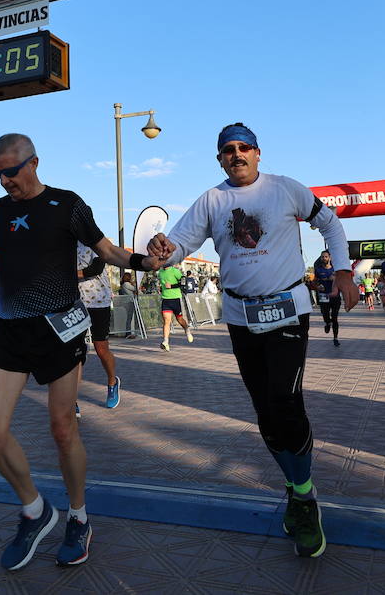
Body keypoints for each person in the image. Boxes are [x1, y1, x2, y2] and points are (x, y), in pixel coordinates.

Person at [147, 123, 355, 559]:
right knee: (264, 409)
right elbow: (181, 243)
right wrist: (163, 248)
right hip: (240, 315)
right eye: (228, 150)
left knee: (285, 400)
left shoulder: (285, 189)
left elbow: (331, 226)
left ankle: (303, 495)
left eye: (244, 148)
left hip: (288, 309)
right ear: (220, 158)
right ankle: (295, 484)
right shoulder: (212, 200)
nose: (236, 154)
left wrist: (343, 271)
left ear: (258, 153)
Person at [0, 133, 163, 571]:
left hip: (60, 328)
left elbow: (106, 250)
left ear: (34, 163)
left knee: (62, 430)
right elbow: (3, 256)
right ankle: (35, 511)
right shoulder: (1, 209)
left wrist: (146, 263)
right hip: (11, 330)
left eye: (10, 172)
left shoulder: (68, 204)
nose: (4, 181)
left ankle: (78, 517)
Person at [77, 242, 120, 411]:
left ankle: (112, 382)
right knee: (73, 352)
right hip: (76, 303)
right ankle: (70, 400)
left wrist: (69, 274)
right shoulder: (63, 242)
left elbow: (95, 268)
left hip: (98, 301)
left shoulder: (94, 241)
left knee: (101, 348)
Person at [156, 263, 194, 350]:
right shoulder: (160, 272)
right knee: (166, 321)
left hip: (175, 299)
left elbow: (184, 282)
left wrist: (172, 286)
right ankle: (165, 342)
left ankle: (187, 330)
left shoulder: (175, 271)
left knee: (179, 319)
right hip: (165, 299)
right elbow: (163, 285)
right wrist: (161, 289)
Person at [312, 252, 342, 348]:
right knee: (325, 315)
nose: (324, 258)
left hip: (335, 297)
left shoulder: (335, 269)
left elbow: (342, 282)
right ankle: (327, 323)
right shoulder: (318, 270)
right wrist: (318, 286)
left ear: (329, 258)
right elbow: (315, 281)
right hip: (323, 296)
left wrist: (335, 279)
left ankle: (335, 338)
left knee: (335, 318)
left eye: (326, 257)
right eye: (322, 257)